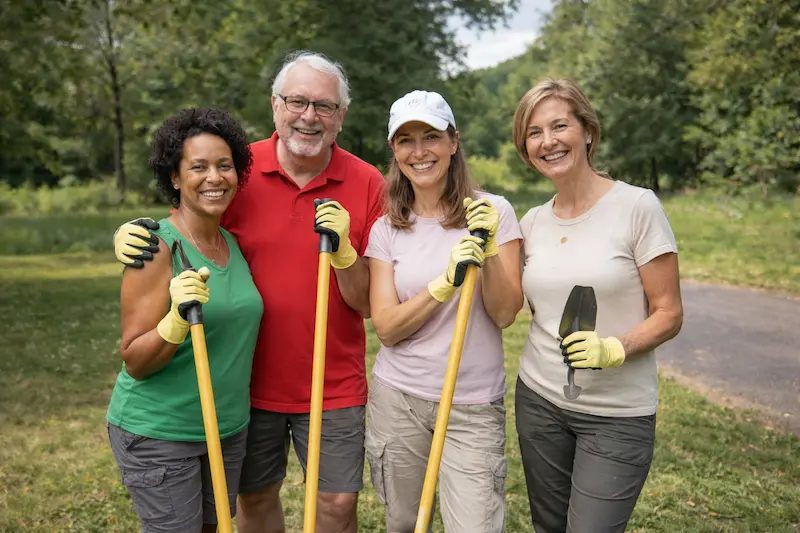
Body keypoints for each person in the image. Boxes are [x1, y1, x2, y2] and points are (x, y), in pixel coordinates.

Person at [111, 51, 384, 533]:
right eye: (296, 101)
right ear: (275, 104)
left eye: (323, 106)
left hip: (332, 379)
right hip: (247, 387)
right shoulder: (238, 169)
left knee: (338, 504)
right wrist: (135, 234)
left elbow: (368, 303)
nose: (308, 116)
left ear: (341, 116)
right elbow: (189, 217)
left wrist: (344, 253)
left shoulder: (367, 182)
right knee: (254, 498)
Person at [512, 77, 684, 533]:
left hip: (617, 415)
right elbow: (528, 309)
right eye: (534, 132)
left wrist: (615, 347)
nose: (547, 141)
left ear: (587, 131)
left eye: (559, 125)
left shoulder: (637, 207)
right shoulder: (531, 223)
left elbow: (669, 313)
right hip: (539, 402)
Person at [363, 90, 524, 533]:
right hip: (400, 400)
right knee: (402, 523)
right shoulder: (386, 228)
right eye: (406, 140)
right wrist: (444, 284)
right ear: (394, 151)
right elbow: (387, 328)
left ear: (453, 142)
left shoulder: (494, 212)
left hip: (471, 406)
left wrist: (487, 248)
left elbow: (506, 312)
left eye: (431, 136)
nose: (420, 151)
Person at [106, 107, 264, 533]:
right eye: (198, 167)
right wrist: (174, 322)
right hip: (161, 433)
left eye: (224, 165)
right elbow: (135, 360)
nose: (214, 177)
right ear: (175, 178)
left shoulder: (231, 242)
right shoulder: (156, 249)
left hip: (226, 430)